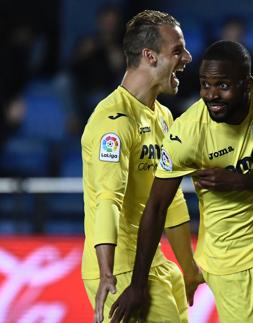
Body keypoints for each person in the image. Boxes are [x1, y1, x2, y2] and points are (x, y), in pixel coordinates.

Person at [110, 40, 253, 323]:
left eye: (223, 86)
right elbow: (155, 207)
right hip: (227, 263)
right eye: (205, 85)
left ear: (247, 85)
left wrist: (239, 181)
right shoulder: (186, 134)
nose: (212, 95)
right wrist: (138, 285)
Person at [80, 10, 203, 323]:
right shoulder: (113, 122)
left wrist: (189, 270)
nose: (188, 57)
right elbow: (107, 200)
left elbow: (171, 201)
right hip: (121, 269)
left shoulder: (163, 117)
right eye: (177, 50)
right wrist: (107, 273)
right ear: (149, 56)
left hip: (153, 264)